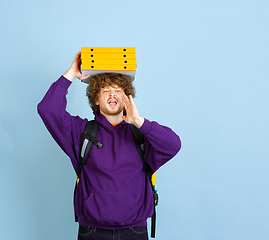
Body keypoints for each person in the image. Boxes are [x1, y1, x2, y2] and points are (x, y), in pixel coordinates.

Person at [37, 51, 181, 240]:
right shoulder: (81, 132)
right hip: (92, 231)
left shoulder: (142, 133)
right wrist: (71, 73)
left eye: (118, 90)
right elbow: (47, 109)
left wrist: (138, 121)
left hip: (135, 231)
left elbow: (173, 145)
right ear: (96, 99)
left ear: (127, 98)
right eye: (106, 90)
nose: (112, 94)